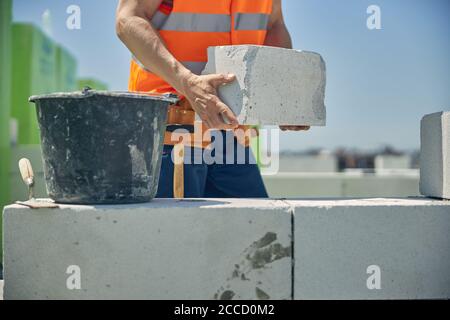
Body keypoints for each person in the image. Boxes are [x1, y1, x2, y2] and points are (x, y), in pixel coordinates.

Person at [116, 0, 309, 198]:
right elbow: (128, 19)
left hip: (234, 133)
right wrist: (187, 82)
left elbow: (273, 24)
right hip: (169, 130)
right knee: (173, 228)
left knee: (255, 226)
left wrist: (282, 91)